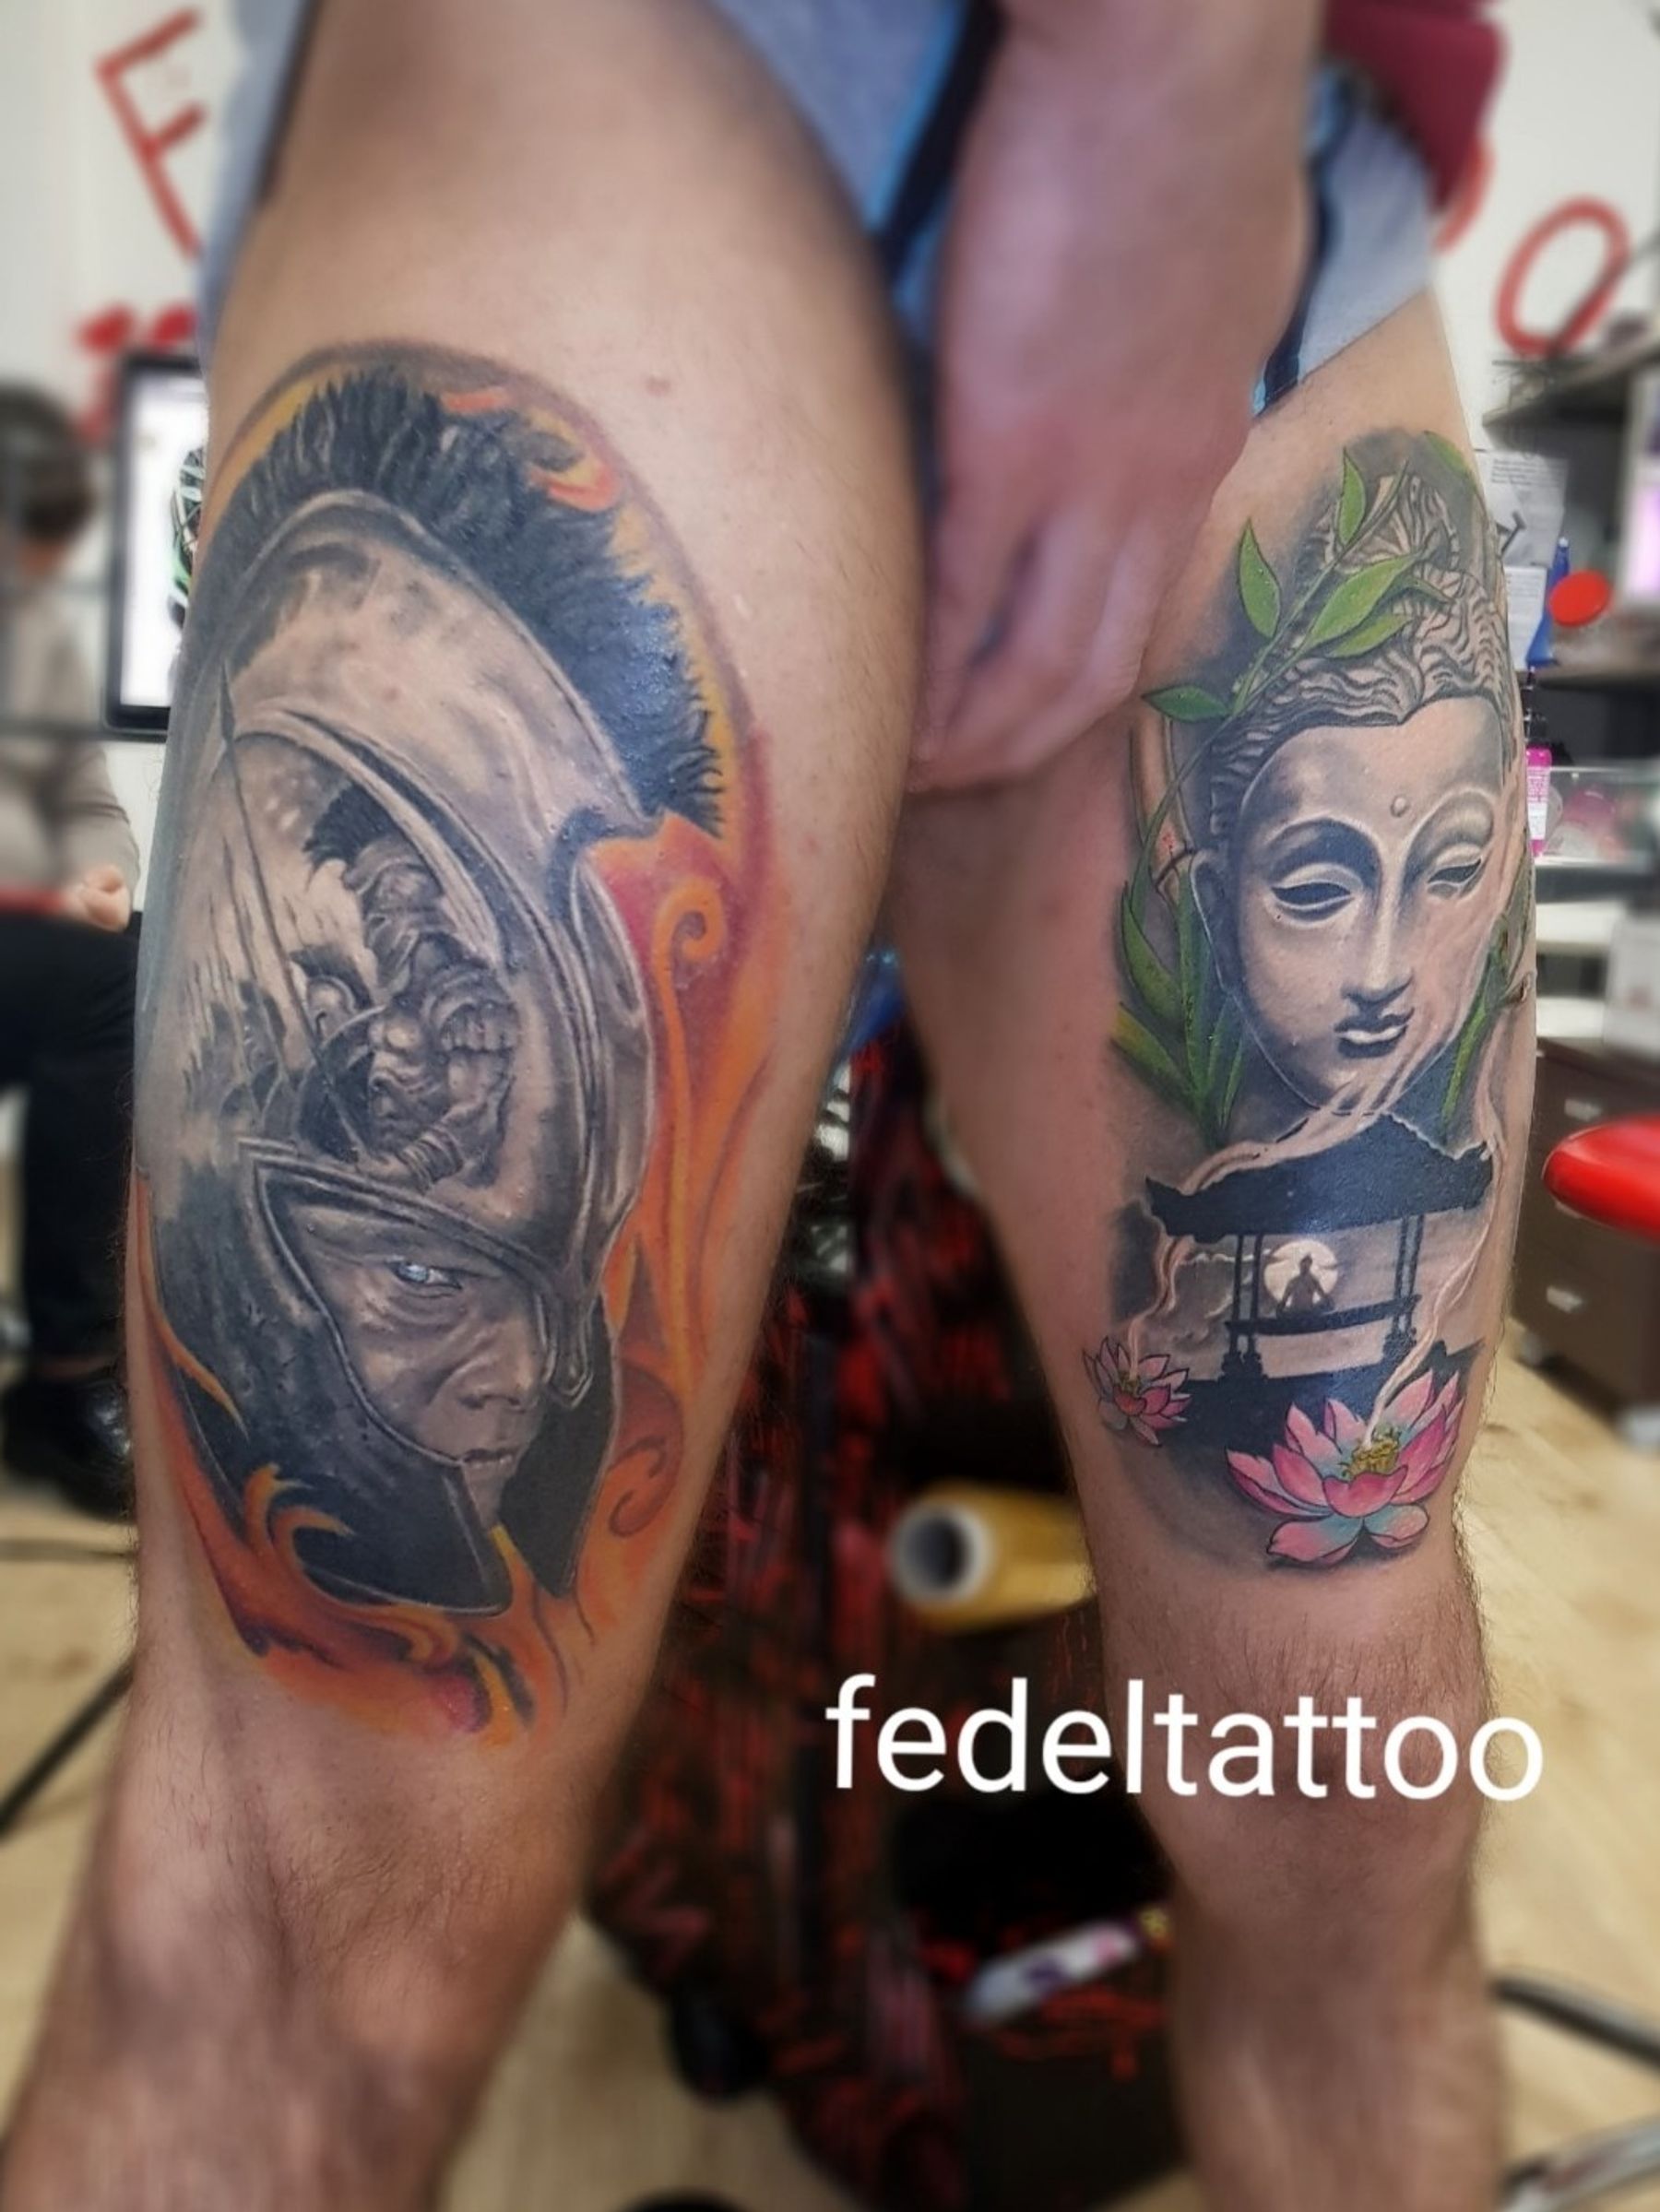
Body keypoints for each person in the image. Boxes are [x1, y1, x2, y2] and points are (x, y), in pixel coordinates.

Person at [2, 4, 1524, 2208]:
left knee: (1347, 1780)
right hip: (644, 72)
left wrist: (1194, 84)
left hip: (1292, 179)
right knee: (318, 1904)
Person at [0, 386, 138, 1520]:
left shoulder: (37, 635)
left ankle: (67, 1374)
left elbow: (88, 802)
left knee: (119, 966)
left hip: (24, 942)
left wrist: (102, 873)